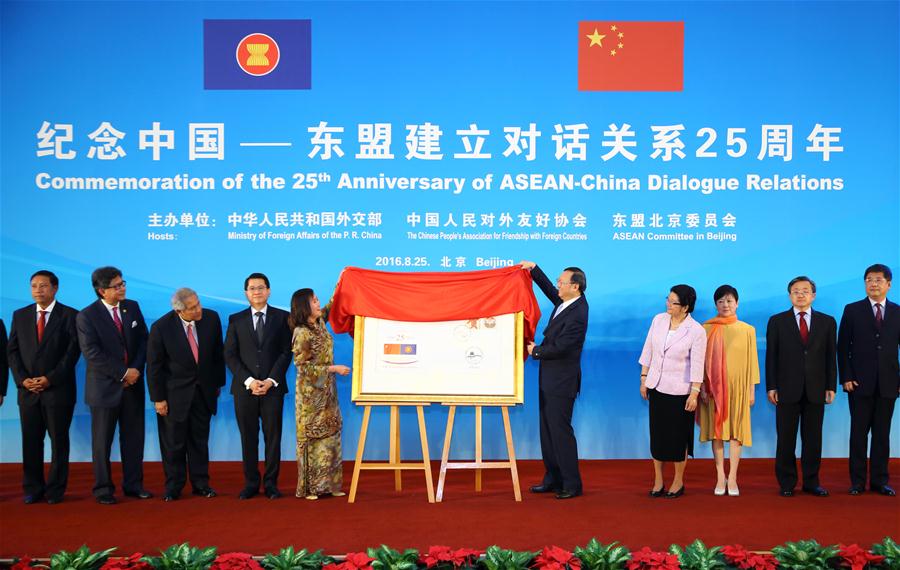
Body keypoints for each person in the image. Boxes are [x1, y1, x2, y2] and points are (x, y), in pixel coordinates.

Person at [76, 266, 151, 504]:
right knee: (102, 443)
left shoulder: (132, 307)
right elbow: (92, 353)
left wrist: (135, 370)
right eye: (116, 286)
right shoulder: (87, 316)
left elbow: (143, 341)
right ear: (102, 291)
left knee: (133, 439)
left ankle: (133, 485)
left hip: (133, 385)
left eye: (123, 283)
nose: (122, 288)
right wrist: (122, 373)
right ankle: (103, 489)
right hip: (104, 389)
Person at [7, 271, 81, 504]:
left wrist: (50, 379)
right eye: (33, 286)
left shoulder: (70, 315)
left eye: (43, 286)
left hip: (57, 390)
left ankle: (56, 489)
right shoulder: (20, 315)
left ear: (55, 288)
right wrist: (22, 380)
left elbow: (72, 354)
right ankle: (33, 488)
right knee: (30, 441)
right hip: (28, 391)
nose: (38, 290)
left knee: (59, 441)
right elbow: (13, 351)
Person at [147, 288, 225, 501]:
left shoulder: (211, 318)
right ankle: (174, 486)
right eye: (192, 308)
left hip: (204, 393)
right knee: (174, 443)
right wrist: (158, 398)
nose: (199, 309)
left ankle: (201, 484)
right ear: (179, 310)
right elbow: (154, 367)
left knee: (200, 441)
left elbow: (218, 352)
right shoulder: (161, 328)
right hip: (174, 397)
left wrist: (217, 383)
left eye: (198, 303)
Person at [519, 261, 588, 499]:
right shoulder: (566, 302)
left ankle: (571, 484)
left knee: (560, 432)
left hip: (561, 381)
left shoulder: (579, 312)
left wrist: (536, 351)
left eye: (562, 281)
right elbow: (549, 289)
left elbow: (565, 346)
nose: (558, 284)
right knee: (547, 431)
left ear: (576, 286)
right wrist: (534, 269)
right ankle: (553, 478)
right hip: (549, 378)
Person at [766, 276, 836, 497]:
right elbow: (771, 357)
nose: (801, 294)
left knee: (813, 439)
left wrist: (830, 385)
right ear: (790, 295)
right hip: (786, 388)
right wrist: (772, 386)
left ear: (813, 295)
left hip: (816, 388)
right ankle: (787, 483)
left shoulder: (827, 321)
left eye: (805, 290)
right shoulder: (777, 321)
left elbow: (830, 356)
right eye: (796, 291)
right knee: (785, 439)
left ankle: (811, 482)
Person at [224, 272, 292, 499]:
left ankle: (271, 484)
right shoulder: (236, 319)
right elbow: (230, 355)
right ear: (246, 293)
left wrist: (271, 381)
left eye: (261, 287)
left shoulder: (283, 318)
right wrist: (251, 381)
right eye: (252, 288)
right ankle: (251, 483)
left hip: (273, 389)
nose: (257, 292)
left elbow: (286, 352)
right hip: (245, 390)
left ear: (269, 290)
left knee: (273, 438)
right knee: (248, 438)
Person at [639, 285, 706, 498]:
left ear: (686, 307)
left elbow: (697, 364)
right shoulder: (658, 320)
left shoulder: (696, 331)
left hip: (680, 392)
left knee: (678, 439)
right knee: (657, 436)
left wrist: (694, 393)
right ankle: (658, 480)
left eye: (673, 302)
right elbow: (648, 349)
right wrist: (644, 378)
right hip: (657, 387)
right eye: (667, 299)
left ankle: (678, 481)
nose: (668, 304)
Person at [838, 263, 898, 496]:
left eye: (878, 279)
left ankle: (880, 481)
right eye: (869, 279)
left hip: (889, 382)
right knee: (859, 433)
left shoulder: (898, 312)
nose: (873, 283)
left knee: (882, 434)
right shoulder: (852, 310)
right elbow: (843, 347)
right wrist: (847, 376)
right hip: (859, 382)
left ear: (888, 284)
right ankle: (857, 481)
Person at [698, 285, 760, 497]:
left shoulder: (747, 329)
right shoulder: (706, 328)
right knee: (717, 433)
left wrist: (751, 390)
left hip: (739, 390)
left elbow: (753, 362)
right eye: (721, 301)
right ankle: (720, 476)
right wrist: (702, 387)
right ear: (715, 304)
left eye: (729, 301)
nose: (725, 305)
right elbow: (700, 362)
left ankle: (732, 477)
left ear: (737, 303)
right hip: (713, 390)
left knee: (736, 434)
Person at [289, 288, 351, 499]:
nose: (318, 303)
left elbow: (330, 307)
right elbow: (303, 368)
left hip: (328, 394)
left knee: (331, 437)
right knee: (314, 441)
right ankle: (310, 488)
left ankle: (330, 486)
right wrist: (333, 369)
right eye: (314, 301)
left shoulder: (319, 323)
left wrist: (342, 282)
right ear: (305, 306)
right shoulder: (302, 332)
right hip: (310, 399)